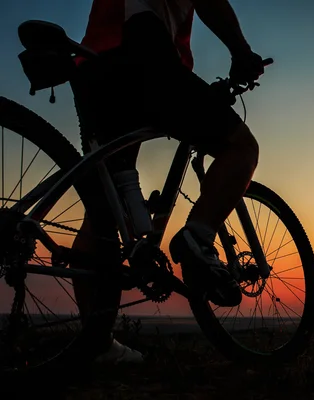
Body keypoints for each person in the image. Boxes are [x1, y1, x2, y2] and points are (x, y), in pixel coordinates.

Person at [69, 0, 266, 364]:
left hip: (93, 66)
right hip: (145, 53)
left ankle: (96, 342)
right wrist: (241, 51)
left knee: (108, 209)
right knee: (240, 147)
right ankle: (197, 238)